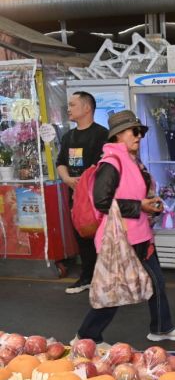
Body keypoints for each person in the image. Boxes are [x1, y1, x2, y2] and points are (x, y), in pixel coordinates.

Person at [76, 110, 175, 343]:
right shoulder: (111, 162)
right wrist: (141, 206)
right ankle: (86, 336)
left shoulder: (130, 160)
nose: (139, 136)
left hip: (138, 234)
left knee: (156, 282)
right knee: (114, 291)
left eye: (140, 132)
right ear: (118, 135)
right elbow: (102, 201)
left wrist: (149, 203)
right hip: (121, 237)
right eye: (134, 131)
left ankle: (161, 327)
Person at [56, 91, 108, 294]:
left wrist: (85, 182)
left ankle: (106, 279)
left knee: (101, 238)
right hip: (75, 197)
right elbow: (61, 163)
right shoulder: (69, 136)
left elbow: (102, 166)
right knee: (82, 238)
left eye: (72, 105)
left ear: (87, 108)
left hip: (96, 197)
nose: (68, 108)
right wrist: (68, 179)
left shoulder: (102, 134)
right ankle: (87, 277)